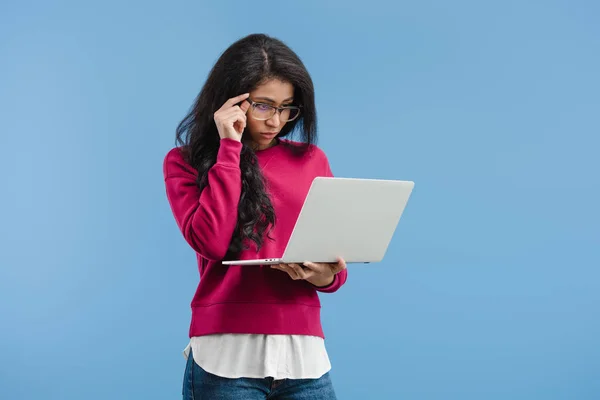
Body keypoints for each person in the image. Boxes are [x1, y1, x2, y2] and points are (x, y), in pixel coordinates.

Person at [163, 33, 348, 400]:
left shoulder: (312, 160)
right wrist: (229, 147)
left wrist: (328, 274)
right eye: (263, 106)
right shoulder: (183, 163)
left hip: (304, 358)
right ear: (230, 102)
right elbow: (212, 242)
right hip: (226, 357)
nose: (275, 120)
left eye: (287, 108)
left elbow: (335, 265)